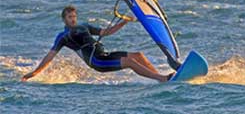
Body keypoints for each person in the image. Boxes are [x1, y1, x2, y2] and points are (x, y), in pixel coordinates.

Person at [22, 5, 174, 82]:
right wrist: (35, 72)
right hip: (97, 61)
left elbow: (106, 32)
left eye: (74, 16)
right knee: (129, 62)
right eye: (69, 17)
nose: (73, 19)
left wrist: (123, 22)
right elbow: (50, 55)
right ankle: (161, 78)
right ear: (64, 19)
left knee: (138, 55)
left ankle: (158, 77)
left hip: (103, 54)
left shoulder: (84, 26)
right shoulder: (64, 37)